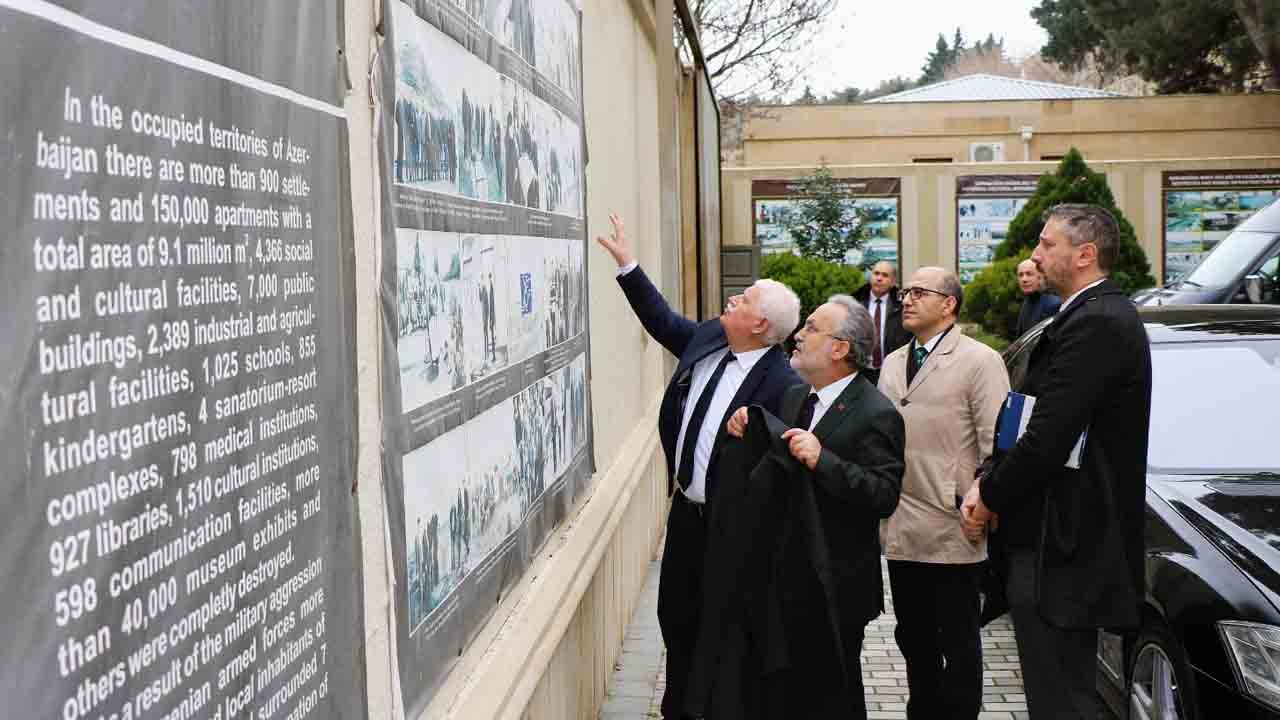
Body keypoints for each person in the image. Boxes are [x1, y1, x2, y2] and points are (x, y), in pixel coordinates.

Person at [597, 213, 802, 719]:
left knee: (723, 633)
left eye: (744, 300)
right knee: (676, 617)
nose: (732, 301)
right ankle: (679, 707)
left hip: (732, 529)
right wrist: (628, 266)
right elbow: (663, 322)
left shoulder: (784, 386)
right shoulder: (710, 341)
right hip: (686, 515)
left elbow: (784, 468)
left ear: (761, 324)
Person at [962, 204, 1152, 719]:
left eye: (1047, 244)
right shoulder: (1082, 315)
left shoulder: (1099, 322)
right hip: (1050, 538)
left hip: (1063, 544)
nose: (1035, 254)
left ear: (1085, 254)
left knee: (1061, 700)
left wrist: (989, 494)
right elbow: (1029, 418)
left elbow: (1049, 437)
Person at [699, 295, 903, 719]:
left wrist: (822, 459)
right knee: (782, 695)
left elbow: (883, 495)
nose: (798, 335)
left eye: (811, 328)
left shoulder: (875, 412)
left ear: (839, 348)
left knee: (833, 698)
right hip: (784, 579)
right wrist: (749, 423)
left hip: (835, 586)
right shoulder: (794, 397)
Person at [877, 267, 1010, 720]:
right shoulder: (893, 361)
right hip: (901, 523)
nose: (907, 300)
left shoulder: (980, 361)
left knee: (958, 642)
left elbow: (998, 444)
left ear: (949, 304)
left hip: (953, 524)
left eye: (919, 292)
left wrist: (981, 498)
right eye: (906, 292)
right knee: (913, 638)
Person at [852, 261, 911, 385]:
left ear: (893, 281)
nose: (879, 278)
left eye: (885, 275)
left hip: (892, 372)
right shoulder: (855, 303)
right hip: (860, 371)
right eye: (876, 273)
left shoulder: (902, 306)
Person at [1014, 258, 1061, 338]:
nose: (1024, 279)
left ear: (1040, 277)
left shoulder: (1053, 304)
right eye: (1020, 275)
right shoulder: (1027, 302)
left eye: (1029, 274)